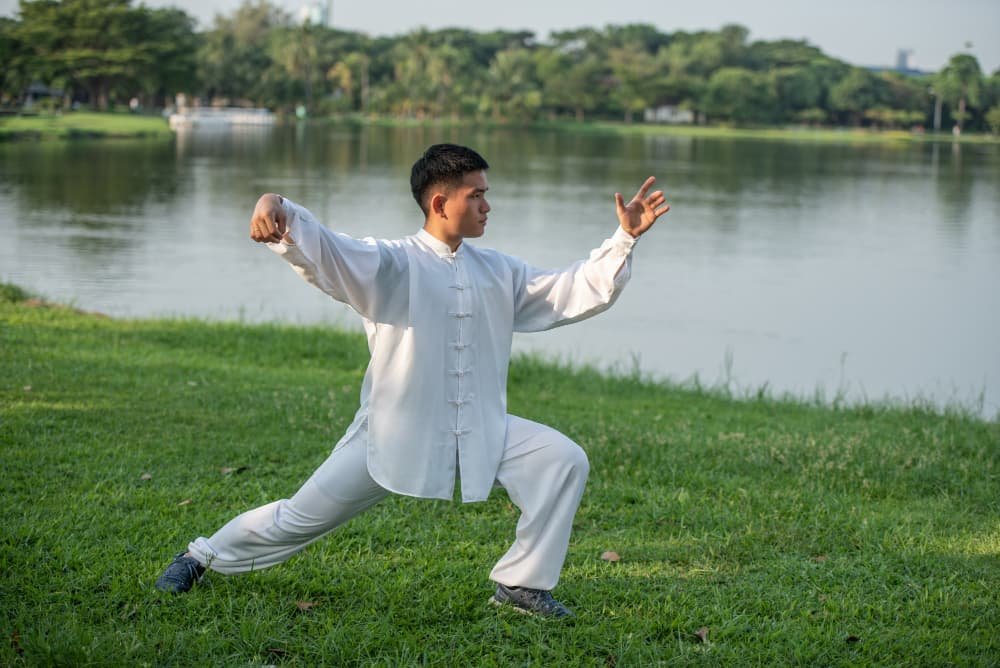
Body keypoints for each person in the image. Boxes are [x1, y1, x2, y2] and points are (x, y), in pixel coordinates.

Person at [155, 143, 669, 617]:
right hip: (392, 432)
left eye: (487, 195)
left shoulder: (499, 270)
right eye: (478, 196)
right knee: (297, 519)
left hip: (480, 427)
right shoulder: (391, 262)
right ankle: (202, 556)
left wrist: (624, 237)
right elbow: (327, 251)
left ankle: (522, 585)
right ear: (441, 203)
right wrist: (275, 204)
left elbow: (570, 289)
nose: (488, 206)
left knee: (561, 460)